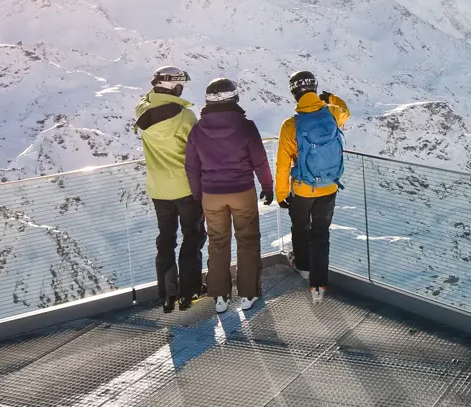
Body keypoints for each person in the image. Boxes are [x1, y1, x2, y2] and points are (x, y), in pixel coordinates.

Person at [185, 77, 274, 313]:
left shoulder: (197, 130)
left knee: (217, 243)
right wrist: (267, 186)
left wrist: (197, 195)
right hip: (241, 191)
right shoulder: (246, 126)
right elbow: (260, 161)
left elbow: (192, 167)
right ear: (233, 97)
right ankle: (248, 294)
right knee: (247, 241)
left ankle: (220, 297)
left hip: (211, 195)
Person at [275, 70, 349, 304]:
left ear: (294, 92)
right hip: (329, 186)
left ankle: (304, 267)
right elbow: (346, 111)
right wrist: (332, 98)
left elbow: (283, 164)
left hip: (302, 189)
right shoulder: (332, 114)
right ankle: (319, 283)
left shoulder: (290, 125)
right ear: (315, 89)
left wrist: (281, 193)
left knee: (300, 226)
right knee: (321, 233)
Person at [134, 66, 204, 313]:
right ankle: (190, 291)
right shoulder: (185, 117)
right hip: (185, 188)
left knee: (166, 241)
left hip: (158, 189)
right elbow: (197, 150)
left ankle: (166, 295)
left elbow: (146, 99)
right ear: (175, 88)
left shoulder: (142, 111)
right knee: (192, 237)